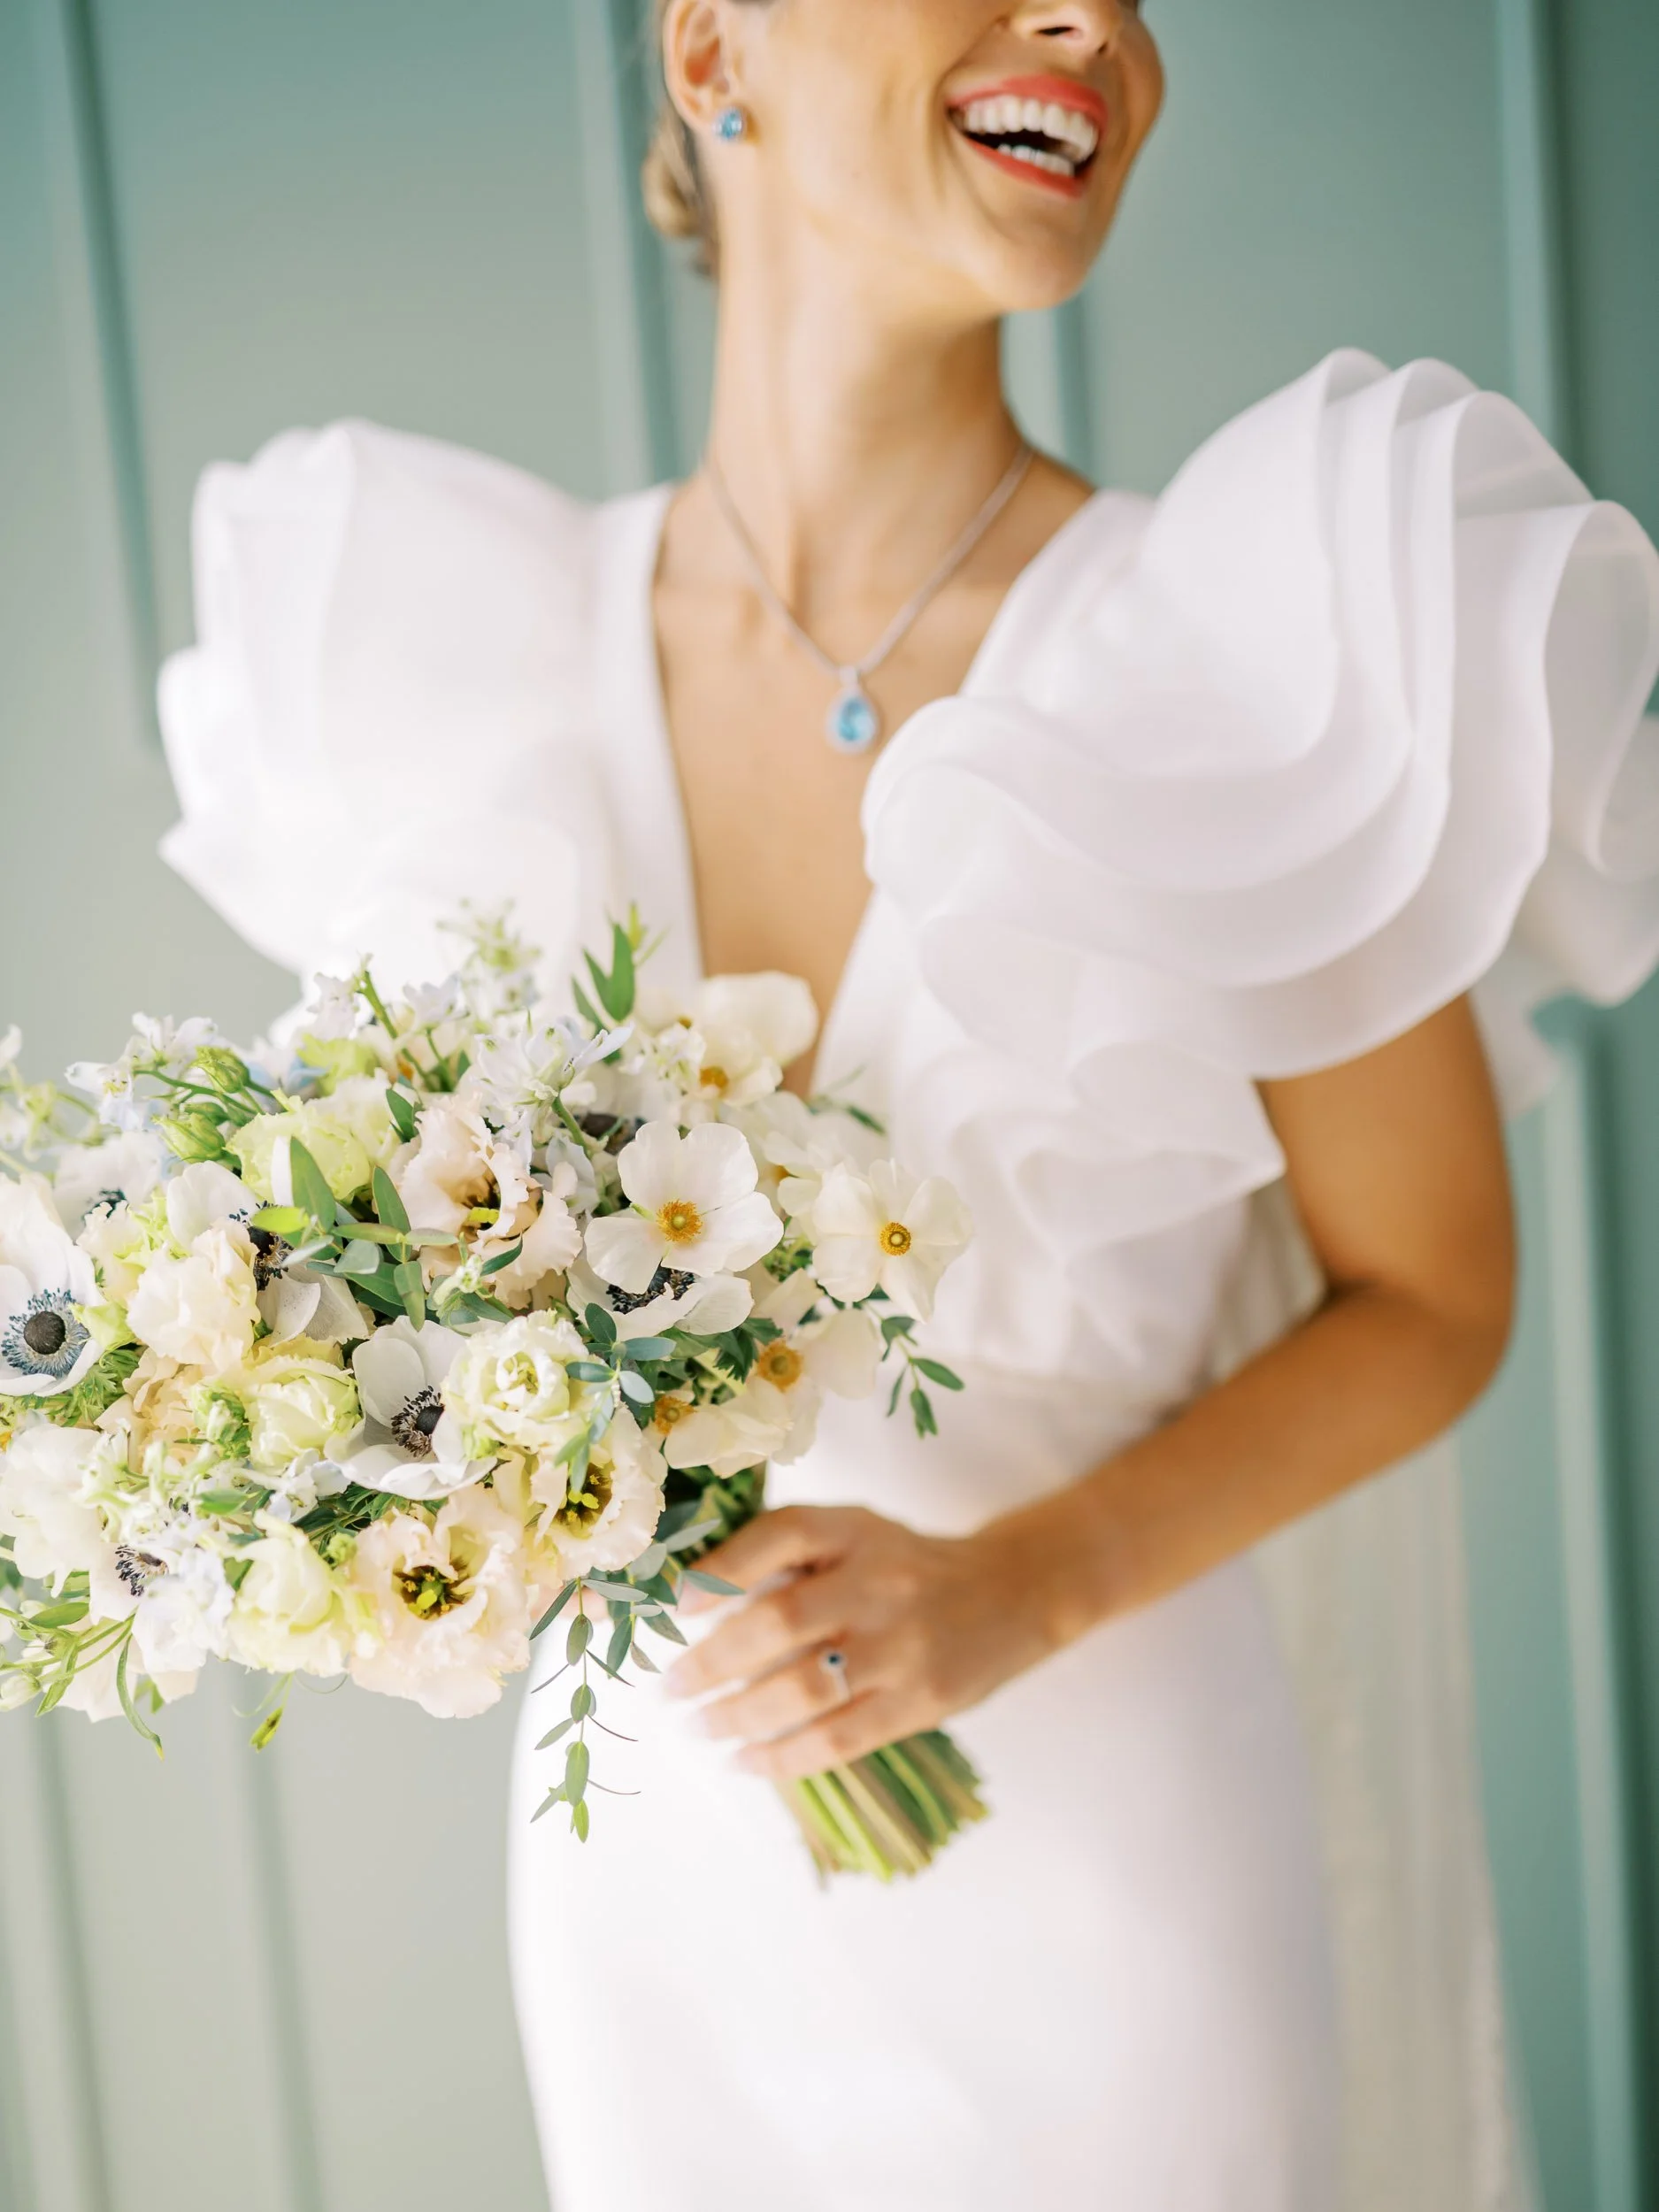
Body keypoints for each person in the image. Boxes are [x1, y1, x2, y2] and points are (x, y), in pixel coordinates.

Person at [156, 3, 1659, 2206]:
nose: (1099, 28)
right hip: (657, 1882)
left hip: (1114, 1877)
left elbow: (1432, 1292)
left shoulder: (1234, 661)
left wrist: (1020, 1589)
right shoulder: (447, 670)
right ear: (710, 47)